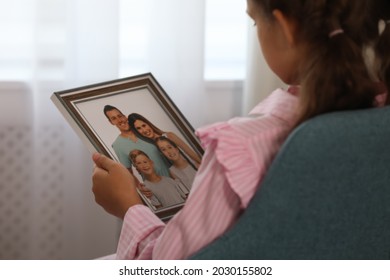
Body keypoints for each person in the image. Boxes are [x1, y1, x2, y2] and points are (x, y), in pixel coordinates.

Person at [92, 0, 389, 259]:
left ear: (286, 28)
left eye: (254, 20)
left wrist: (129, 206)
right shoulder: (379, 114)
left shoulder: (245, 143)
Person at [103, 105, 171, 177]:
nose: (119, 120)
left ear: (125, 116)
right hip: (155, 186)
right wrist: (139, 186)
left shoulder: (143, 130)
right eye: (114, 118)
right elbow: (128, 172)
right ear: (111, 122)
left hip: (174, 176)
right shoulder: (118, 145)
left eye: (120, 116)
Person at [128, 113, 202, 168]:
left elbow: (190, 153)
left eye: (144, 125)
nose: (144, 130)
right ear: (137, 132)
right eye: (139, 128)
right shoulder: (151, 148)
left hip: (194, 168)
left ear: (148, 124)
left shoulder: (169, 135)